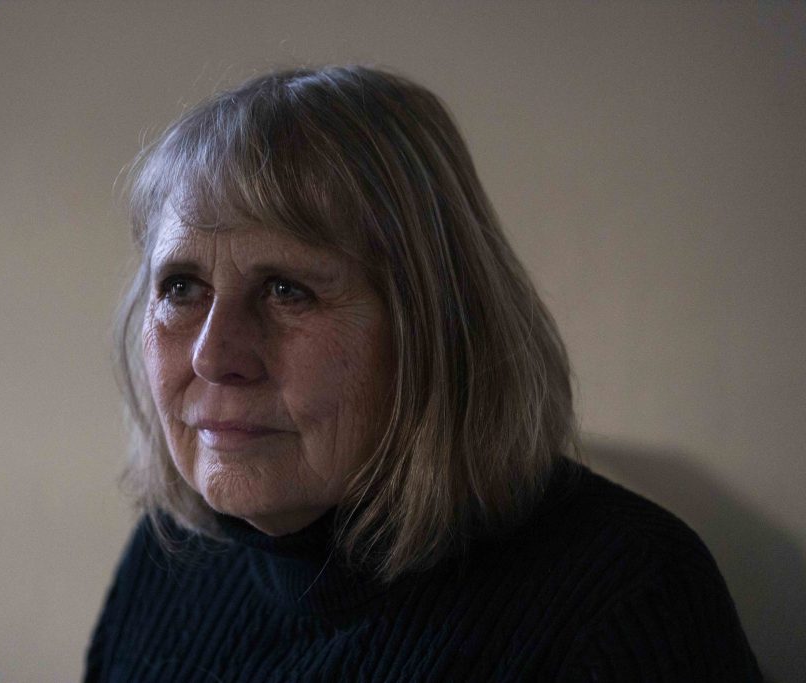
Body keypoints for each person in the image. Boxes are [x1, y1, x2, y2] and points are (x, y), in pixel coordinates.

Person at [85, 65, 761, 682]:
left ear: (434, 331)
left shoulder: (623, 598)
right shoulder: (172, 556)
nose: (213, 354)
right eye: (180, 287)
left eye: (286, 289)